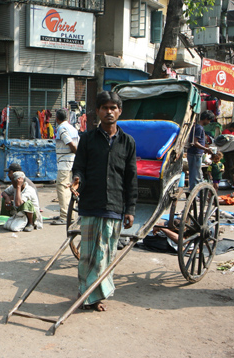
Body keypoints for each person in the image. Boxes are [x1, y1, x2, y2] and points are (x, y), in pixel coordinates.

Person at [70, 91, 137, 312]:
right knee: (87, 256)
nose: (109, 112)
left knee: (105, 256)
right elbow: (79, 166)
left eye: (113, 108)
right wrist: (78, 179)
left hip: (115, 205)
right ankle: (84, 293)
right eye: (104, 108)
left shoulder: (128, 142)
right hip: (90, 203)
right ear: (98, 111)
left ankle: (96, 297)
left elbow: (131, 178)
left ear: (119, 111)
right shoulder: (87, 139)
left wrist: (130, 209)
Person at [52, 109, 79, 225]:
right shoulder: (73, 128)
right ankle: (68, 215)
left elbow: (71, 144)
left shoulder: (62, 128)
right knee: (68, 188)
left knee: (62, 187)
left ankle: (64, 216)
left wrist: (76, 153)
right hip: (71, 162)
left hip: (65, 162)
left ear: (57, 119)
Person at [187, 110, 215, 192]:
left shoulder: (196, 126)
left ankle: (193, 191)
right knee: (196, 175)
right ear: (206, 119)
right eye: (209, 120)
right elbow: (195, 142)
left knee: (194, 174)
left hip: (194, 153)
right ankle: (196, 193)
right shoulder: (199, 128)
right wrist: (206, 149)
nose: (209, 122)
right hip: (195, 154)